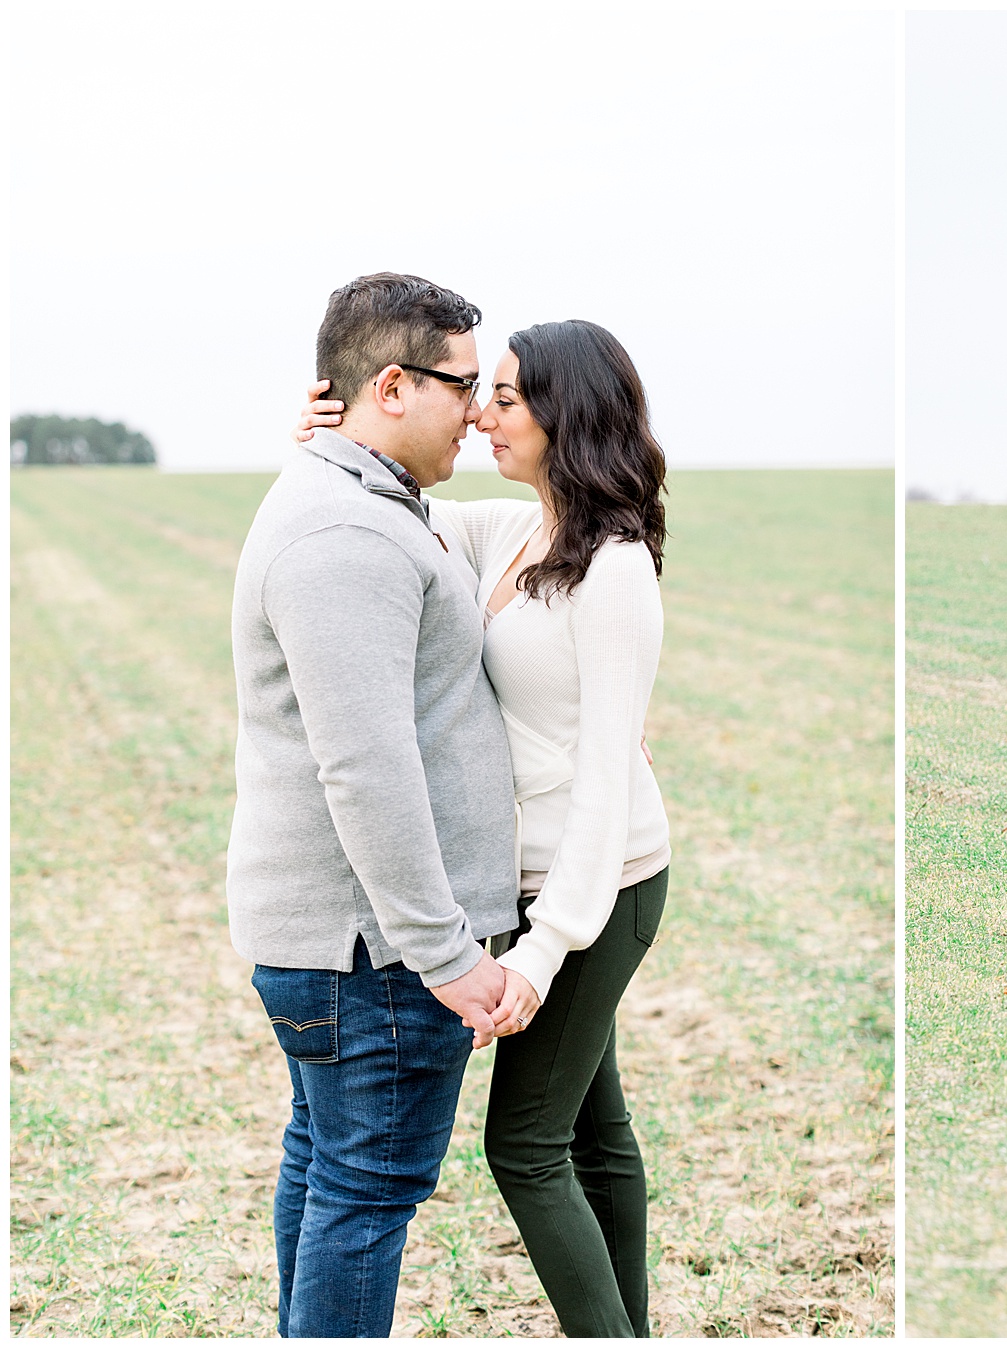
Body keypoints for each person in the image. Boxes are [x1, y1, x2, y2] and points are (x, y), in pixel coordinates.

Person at [294, 318, 672, 1338]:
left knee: (527, 1146)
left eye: (503, 397)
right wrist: (326, 433)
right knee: (593, 1131)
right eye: (480, 394)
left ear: (565, 411)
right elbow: (389, 502)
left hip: (601, 883)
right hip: (540, 881)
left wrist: (543, 952)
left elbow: (604, 785)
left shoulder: (615, 568)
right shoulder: (511, 530)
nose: (480, 415)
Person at [228, 273, 519, 1337]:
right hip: (374, 955)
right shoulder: (344, 535)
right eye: (464, 385)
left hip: (355, 947)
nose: (478, 412)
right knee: (364, 1190)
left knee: (330, 1168)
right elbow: (366, 767)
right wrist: (444, 953)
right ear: (392, 387)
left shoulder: (361, 501)